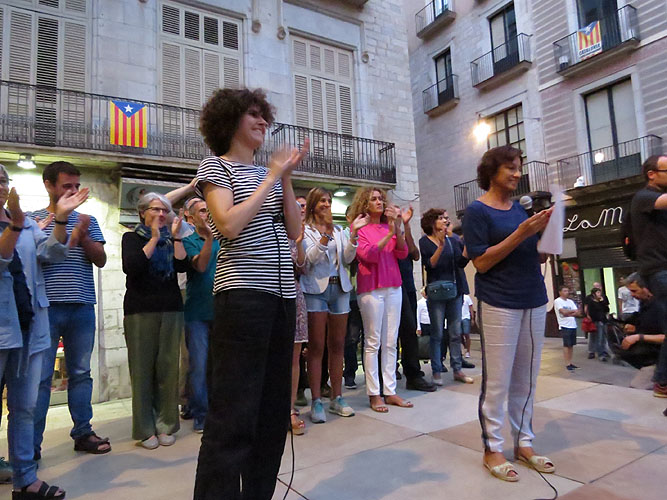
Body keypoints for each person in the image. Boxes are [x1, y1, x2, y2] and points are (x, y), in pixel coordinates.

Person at [193, 88, 306, 500]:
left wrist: (285, 178)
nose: (262, 122)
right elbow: (228, 225)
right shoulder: (216, 166)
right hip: (242, 296)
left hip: (281, 296)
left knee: (273, 411)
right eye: (253, 114)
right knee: (233, 412)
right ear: (230, 120)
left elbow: (295, 230)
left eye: (264, 115)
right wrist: (272, 177)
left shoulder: (269, 175)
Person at [462, 145, 555, 482]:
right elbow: (482, 262)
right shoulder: (476, 212)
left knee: (526, 379)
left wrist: (548, 235)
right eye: (510, 168)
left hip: (534, 297)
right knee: (498, 381)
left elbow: (538, 257)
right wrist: (522, 233)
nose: (517, 173)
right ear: (491, 172)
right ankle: (492, 448)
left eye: (519, 167)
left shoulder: (520, 209)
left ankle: (524, 442)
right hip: (499, 300)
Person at [1, 165, 88, 499]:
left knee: (24, 407)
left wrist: (62, 221)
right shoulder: (19, 222)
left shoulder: (24, 224)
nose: (0, 185)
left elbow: (52, 252)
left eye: (3, 180)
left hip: (29, 327)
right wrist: (15, 225)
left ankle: (25, 479)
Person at [30, 161, 110, 459]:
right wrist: (64, 229)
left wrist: (84, 236)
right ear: (49, 185)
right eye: (67, 186)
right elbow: (36, 258)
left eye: (77, 186)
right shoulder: (33, 219)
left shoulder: (88, 219)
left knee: (80, 372)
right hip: (46, 308)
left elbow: (100, 259)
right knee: (40, 378)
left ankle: (83, 432)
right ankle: (31, 446)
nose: (73, 191)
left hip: (82, 306)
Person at [122, 192, 188, 449]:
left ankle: (166, 424)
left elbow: (182, 266)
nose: (161, 214)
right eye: (155, 209)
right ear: (142, 212)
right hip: (140, 310)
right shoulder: (131, 238)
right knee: (142, 371)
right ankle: (145, 429)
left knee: (169, 369)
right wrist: (154, 238)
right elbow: (133, 266)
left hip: (171, 308)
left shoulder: (171, 240)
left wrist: (177, 237)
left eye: (164, 210)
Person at [300, 187, 367, 423]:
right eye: (322, 201)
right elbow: (308, 261)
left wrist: (353, 235)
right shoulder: (305, 230)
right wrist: (324, 236)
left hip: (340, 289)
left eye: (328, 200)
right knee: (316, 347)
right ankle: (316, 400)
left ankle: (337, 397)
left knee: (338, 344)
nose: (327, 204)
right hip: (315, 290)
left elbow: (348, 258)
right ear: (313, 205)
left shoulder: (339, 230)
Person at [349, 186, 412, 412]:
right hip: (371, 288)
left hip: (393, 285)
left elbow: (403, 253)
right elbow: (368, 255)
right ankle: (374, 393)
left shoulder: (389, 226)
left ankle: (390, 390)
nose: (379, 202)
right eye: (373, 199)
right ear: (364, 204)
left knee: (391, 341)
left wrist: (399, 227)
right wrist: (389, 234)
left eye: (380, 199)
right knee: (373, 341)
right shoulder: (360, 227)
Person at [420, 208, 473, 385]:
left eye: (445, 218)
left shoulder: (452, 240)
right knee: (437, 333)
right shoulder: (425, 241)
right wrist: (441, 246)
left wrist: (466, 247)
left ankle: (457, 369)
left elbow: (460, 262)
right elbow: (430, 265)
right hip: (436, 291)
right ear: (431, 222)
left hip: (454, 290)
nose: (445, 221)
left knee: (455, 332)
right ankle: (436, 371)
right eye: (441, 218)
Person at [630, 155, 667, 398]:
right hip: (659, 269)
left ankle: (662, 382)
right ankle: (662, 381)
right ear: (651, 174)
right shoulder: (644, 197)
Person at [182, 197, 220, 433]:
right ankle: (201, 415)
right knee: (198, 365)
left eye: (210, 210)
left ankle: (218, 410)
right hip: (197, 312)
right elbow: (201, 266)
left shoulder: (225, 239)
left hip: (223, 310)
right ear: (191, 217)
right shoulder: (189, 241)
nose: (208, 215)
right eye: (204, 211)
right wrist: (209, 239)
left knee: (221, 364)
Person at [396, 206, 436, 392]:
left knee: (409, 331)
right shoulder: (385, 234)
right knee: (389, 335)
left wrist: (406, 226)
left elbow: (415, 254)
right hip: (390, 287)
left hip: (408, 287)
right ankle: (388, 373)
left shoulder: (403, 234)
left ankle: (413, 374)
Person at [612, 273, 665, 369]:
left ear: (646, 288)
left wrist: (638, 337)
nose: (632, 295)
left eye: (634, 291)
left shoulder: (661, 306)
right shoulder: (645, 304)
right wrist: (636, 328)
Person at [289, 196, 308, 435]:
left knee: (294, 358)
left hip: (294, 293)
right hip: (270, 294)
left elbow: (302, 267)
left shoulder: (296, 236)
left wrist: (300, 243)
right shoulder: (271, 231)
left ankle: (290, 408)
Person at [554, 285, 580, 371]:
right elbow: (563, 312)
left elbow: (578, 312)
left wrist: (570, 313)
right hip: (565, 325)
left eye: (567, 291)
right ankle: (567, 363)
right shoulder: (558, 301)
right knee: (566, 344)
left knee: (571, 345)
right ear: (560, 292)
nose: (567, 293)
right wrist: (571, 312)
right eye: (564, 291)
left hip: (572, 324)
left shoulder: (570, 301)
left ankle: (570, 361)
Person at [584, 281, 610, 360]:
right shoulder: (590, 300)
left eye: (598, 287)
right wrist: (588, 317)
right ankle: (594, 352)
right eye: (597, 291)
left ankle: (604, 351)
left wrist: (602, 302)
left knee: (603, 337)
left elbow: (606, 308)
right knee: (595, 337)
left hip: (603, 320)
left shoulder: (603, 298)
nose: (599, 293)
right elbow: (588, 309)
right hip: (596, 321)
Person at [461, 293, 474, 358]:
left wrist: (472, 318)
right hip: (458, 318)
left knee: (466, 334)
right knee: (459, 335)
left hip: (466, 317)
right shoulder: (456, 296)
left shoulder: (467, 297)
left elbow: (471, 307)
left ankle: (468, 351)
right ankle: (464, 347)